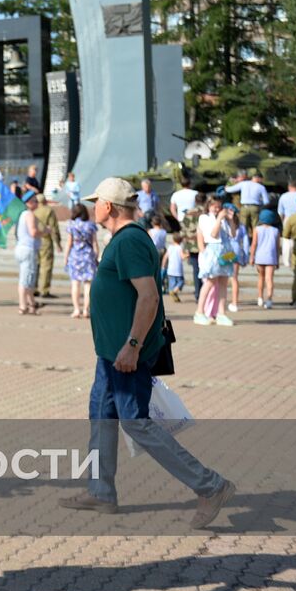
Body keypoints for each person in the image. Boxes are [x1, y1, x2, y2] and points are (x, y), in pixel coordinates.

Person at [61, 178, 236, 528]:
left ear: (108, 206)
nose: (94, 206)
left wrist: (132, 345)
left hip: (127, 354)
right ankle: (101, 492)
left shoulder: (129, 241)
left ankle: (210, 485)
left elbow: (149, 297)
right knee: (100, 413)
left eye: (98, 202)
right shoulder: (122, 240)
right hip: (111, 354)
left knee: (134, 421)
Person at [194, 196, 235, 327]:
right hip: (213, 250)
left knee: (224, 282)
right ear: (209, 206)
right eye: (214, 206)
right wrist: (219, 219)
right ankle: (199, 312)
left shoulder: (223, 219)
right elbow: (213, 234)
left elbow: (233, 234)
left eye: (219, 206)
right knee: (210, 281)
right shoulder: (204, 218)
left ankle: (221, 313)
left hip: (226, 249)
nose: (217, 209)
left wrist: (231, 220)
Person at [66, 204, 99, 319]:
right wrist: (96, 256)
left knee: (75, 284)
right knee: (88, 285)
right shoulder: (91, 225)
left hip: (75, 256)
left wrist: (66, 257)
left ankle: (76, 309)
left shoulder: (71, 225)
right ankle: (86, 310)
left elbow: (69, 243)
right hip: (88, 256)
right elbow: (94, 242)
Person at [223, 170, 270, 242]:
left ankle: (244, 243)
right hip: (255, 208)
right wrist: (259, 203)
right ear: (257, 178)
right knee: (255, 227)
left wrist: (227, 187)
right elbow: (266, 202)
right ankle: (256, 242)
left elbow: (229, 190)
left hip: (244, 208)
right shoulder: (261, 187)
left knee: (243, 227)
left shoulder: (243, 184)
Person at [15, 189, 41, 315]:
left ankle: (31, 304)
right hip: (27, 249)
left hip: (22, 248)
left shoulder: (22, 214)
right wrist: (45, 231)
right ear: (30, 202)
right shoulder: (29, 214)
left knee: (29, 278)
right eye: (35, 201)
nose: (37, 203)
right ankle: (23, 306)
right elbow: (33, 232)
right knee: (25, 279)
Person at [222, 204, 249, 316]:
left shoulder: (222, 223)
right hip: (236, 252)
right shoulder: (241, 226)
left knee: (222, 278)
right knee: (234, 278)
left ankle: (220, 302)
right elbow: (246, 243)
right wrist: (245, 257)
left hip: (225, 251)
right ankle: (234, 303)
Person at [35, 195, 63, 299]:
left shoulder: (34, 211)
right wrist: (58, 243)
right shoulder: (48, 211)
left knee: (36, 265)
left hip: (35, 241)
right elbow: (54, 228)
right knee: (46, 266)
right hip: (45, 240)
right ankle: (44, 290)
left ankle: (34, 288)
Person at [252, 209, 280, 310]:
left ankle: (260, 297)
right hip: (271, 257)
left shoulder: (257, 229)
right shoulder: (276, 231)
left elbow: (254, 244)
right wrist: (277, 260)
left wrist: (252, 257)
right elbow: (277, 247)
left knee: (261, 278)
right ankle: (269, 300)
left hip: (260, 256)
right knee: (269, 279)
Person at [180, 193, 205, 301]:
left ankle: (198, 294)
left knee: (196, 270)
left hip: (191, 244)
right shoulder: (206, 213)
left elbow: (183, 231)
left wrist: (184, 247)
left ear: (195, 201)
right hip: (205, 244)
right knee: (206, 270)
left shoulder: (188, 213)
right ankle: (205, 294)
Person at [275, 179, 296, 269]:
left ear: (289, 187)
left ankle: (286, 261)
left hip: (288, 219)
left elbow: (280, 211)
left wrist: (283, 221)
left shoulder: (284, 196)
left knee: (287, 240)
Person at [164, 232, 186, 302]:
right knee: (181, 281)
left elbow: (165, 257)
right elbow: (182, 256)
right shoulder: (179, 248)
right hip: (178, 269)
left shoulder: (170, 247)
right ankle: (174, 291)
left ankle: (173, 292)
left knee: (172, 283)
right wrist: (187, 255)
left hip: (170, 269)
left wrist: (163, 265)